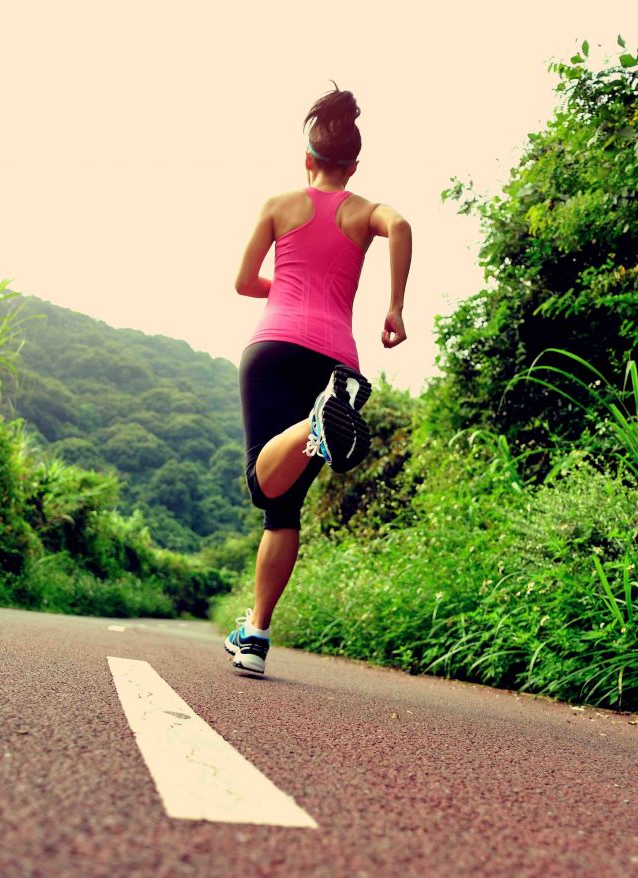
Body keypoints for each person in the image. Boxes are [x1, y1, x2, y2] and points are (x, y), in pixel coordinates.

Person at [224, 84, 412, 674]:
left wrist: (287, 289)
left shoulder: (280, 205)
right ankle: (254, 635)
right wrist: (394, 308)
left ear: (307, 160)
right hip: (334, 361)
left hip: (273, 347)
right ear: (353, 165)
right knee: (285, 508)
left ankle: (315, 421)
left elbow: (242, 281)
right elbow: (402, 224)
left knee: (264, 489)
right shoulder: (365, 212)